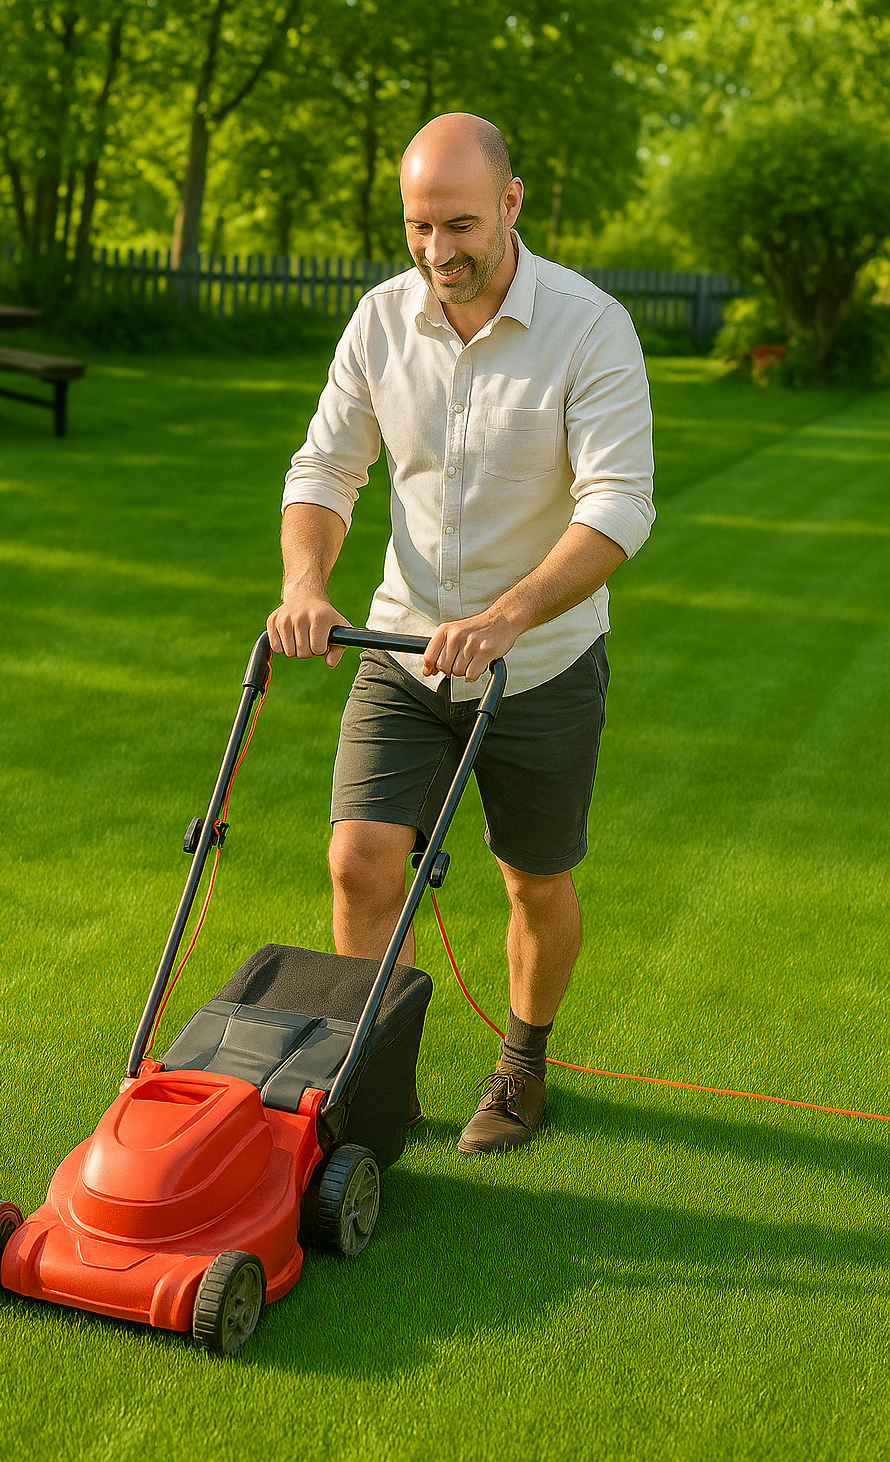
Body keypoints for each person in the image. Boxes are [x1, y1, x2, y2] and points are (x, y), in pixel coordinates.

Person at [267, 112, 654, 1155]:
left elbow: (619, 505)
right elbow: (325, 468)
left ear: (513, 203)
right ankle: (375, 1077)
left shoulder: (589, 326)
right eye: (417, 227)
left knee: (532, 876)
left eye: (461, 224)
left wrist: (508, 614)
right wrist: (307, 581)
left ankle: (522, 1067)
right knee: (358, 861)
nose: (439, 252)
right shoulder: (381, 321)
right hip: (400, 650)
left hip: (539, 663)